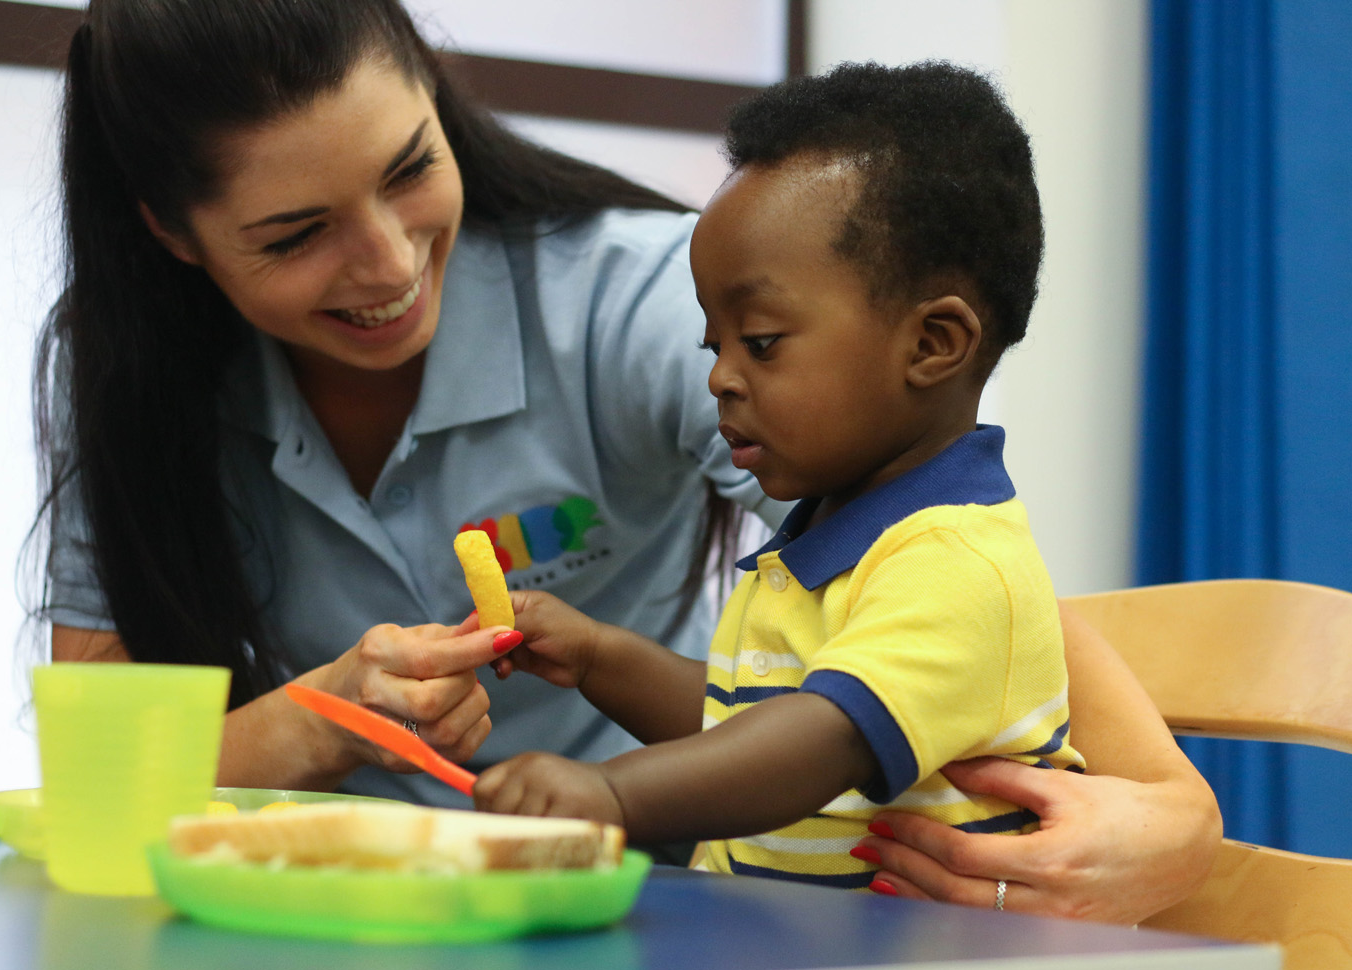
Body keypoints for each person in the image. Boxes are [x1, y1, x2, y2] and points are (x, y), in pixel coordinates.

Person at [31, 0, 1217, 920]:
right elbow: (96, 773)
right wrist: (322, 717)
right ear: (171, 234)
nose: (388, 263)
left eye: (408, 169)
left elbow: (943, 567)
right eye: (296, 235)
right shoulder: (130, 381)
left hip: (638, 908)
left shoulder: (641, 303)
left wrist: (1176, 804)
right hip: (302, 917)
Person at [471, 62, 1114, 892]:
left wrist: (610, 794)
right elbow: (744, 725)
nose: (720, 379)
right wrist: (598, 657)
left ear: (932, 344)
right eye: (715, 346)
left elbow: (822, 742)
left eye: (762, 341)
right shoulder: (821, 544)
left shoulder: (959, 562)